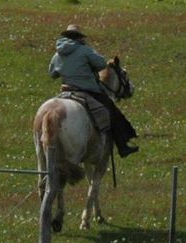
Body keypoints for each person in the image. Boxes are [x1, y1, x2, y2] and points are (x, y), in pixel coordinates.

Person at [49, 23, 139, 156]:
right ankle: (122, 146)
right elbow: (102, 64)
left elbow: (52, 73)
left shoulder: (58, 54)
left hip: (66, 90)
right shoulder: (84, 50)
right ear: (79, 37)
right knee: (111, 110)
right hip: (87, 90)